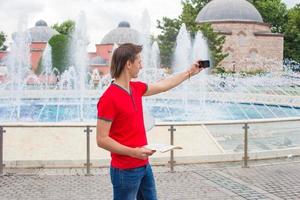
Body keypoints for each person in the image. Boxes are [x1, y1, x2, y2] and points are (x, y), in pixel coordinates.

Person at [96, 43, 203, 200]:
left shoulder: (136, 88)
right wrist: (133, 152)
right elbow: (102, 139)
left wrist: (189, 73)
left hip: (144, 165)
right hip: (125, 170)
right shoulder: (109, 98)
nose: (142, 65)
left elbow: (163, 85)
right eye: (139, 61)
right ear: (128, 64)